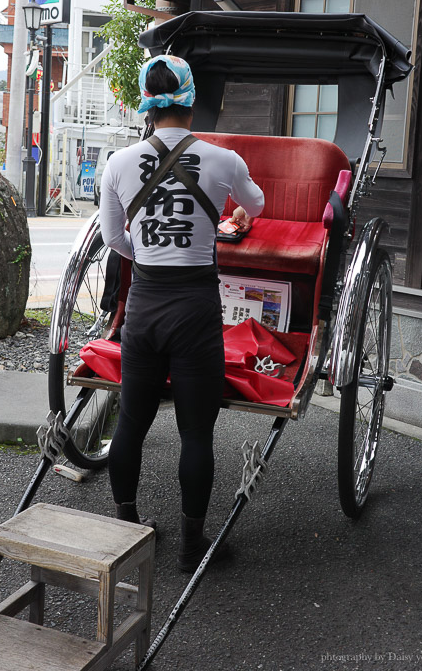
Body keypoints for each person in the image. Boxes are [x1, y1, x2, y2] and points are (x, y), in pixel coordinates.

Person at [99, 54, 264, 572]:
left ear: (146, 105)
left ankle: (127, 525)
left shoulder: (119, 163)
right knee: (196, 432)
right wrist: (229, 213)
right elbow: (255, 206)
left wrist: (150, 253)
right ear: (191, 101)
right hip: (195, 308)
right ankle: (194, 547)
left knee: (131, 422)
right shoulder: (223, 160)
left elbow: (113, 239)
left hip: (145, 306)